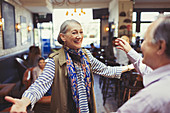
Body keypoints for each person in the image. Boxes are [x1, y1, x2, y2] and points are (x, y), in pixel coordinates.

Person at [5, 19, 133, 113]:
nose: (79, 36)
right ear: (63, 37)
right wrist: (24, 101)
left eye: (81, 32)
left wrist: (131, 66)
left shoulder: (86, 55)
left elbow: (105, 70)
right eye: (74, 32)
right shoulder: (54, 61)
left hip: (86, 109)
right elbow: (40, 85)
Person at [115, 14, 170, 113]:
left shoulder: (150, 98)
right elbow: (144, 68)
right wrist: (129, 51)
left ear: (160, 47)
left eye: (145, 40)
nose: (141, 46)